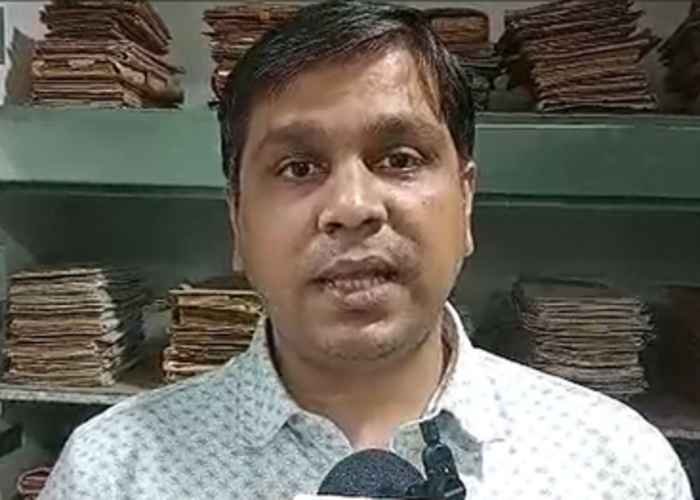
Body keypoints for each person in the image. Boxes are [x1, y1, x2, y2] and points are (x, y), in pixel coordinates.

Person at [40, 1, 692, 498]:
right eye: (298, 167)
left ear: (465, 201)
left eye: (400, 158)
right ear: (238, 222)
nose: (353, 206)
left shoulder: (618, 468)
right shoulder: (110, 474)